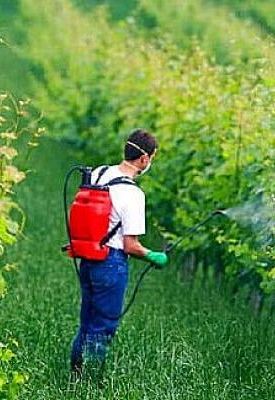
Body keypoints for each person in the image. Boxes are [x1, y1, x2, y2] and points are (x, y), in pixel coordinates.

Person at [70, 129, 168, 374]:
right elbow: (130, 245)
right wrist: (153, 256)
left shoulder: (99, 172)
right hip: (111, 263)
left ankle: (75, 375)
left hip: (88, 258)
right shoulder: (133, 194)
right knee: (103, 326)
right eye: (152, 158)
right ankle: (90, 382)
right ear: (144, 159)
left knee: (87, 321)